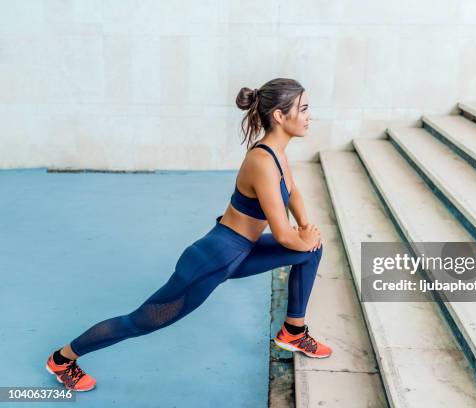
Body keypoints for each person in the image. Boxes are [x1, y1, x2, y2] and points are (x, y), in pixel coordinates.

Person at [45, 78, 331, 392]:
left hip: (241, 253)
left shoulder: (278, 153)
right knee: (141, 322)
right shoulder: (261, 160)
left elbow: (293, 194)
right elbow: (282, 232)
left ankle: (293, 330)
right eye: (303, 109)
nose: (308, 116)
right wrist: (302, 236)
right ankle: (63, 358)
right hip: (213, 258)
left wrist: (307, 229)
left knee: (311, 250)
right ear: (279, 115)